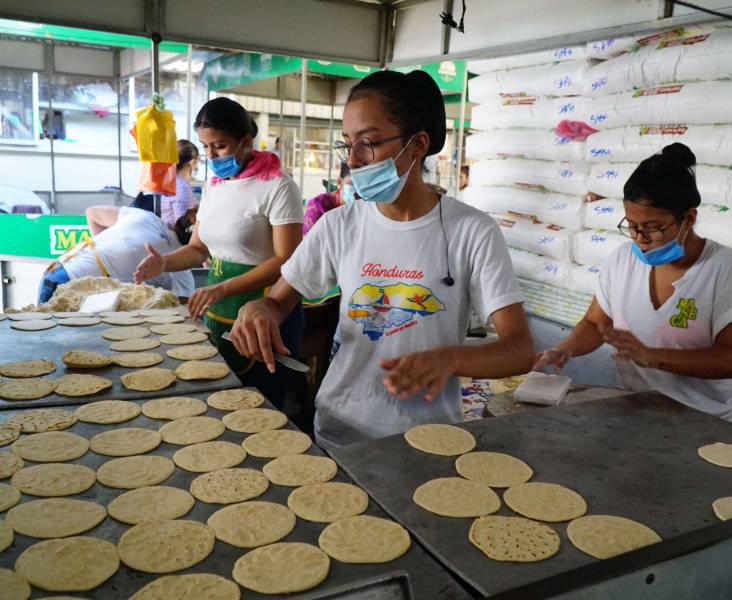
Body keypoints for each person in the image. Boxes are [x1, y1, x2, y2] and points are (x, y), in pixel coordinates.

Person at [229, 70, 535, 448]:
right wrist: (260, 309)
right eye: (347, 144)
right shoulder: (338, 225)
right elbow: (278, 301)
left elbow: (520, 349)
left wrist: (450, 359)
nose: (353, 161)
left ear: (417, 144)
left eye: (368, 143)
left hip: (430, 437)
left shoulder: (472, 231)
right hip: (341, 429)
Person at [534, 143, 732, 424]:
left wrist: (653, 357)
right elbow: (595, 324)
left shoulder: (726, 268)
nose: (640, 238)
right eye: (632, 226)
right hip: (648, 412)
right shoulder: (622, 261)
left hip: (719, 417)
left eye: (653, 227)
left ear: (688, 218)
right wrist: (565, 349)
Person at [134, 97, 304, 408]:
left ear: (246, 141)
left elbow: (286, 261)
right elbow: (199, 249)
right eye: (205, 147)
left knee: (261, 409)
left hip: (267, 310)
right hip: (220, 309)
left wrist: (222, 287)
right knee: (219, 399)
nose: (211, 155)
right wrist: (165, 263)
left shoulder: (279, 187)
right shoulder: (215, 185)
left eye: (220, 146)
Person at [38, 205, 196, 304]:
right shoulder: (181, 271)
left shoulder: (146, 217)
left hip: (56, 271)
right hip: (75, 294)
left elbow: (92, 213)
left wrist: (102, 254)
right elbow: (182, 310)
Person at [303, 162, 354, 235]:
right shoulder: (317, 208)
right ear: (339, 181)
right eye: (352, 184)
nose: (358, 191)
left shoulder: (367, 206)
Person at [160, 139, 199, 230]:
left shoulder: (169, 181)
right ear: (193, 163)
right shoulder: (182, 187)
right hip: (175, 238)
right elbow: (183, 225)